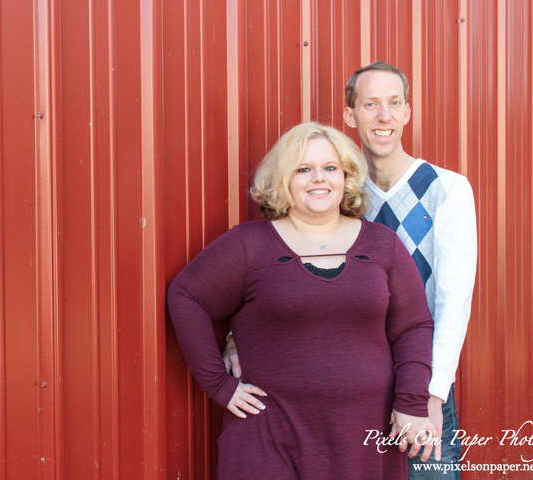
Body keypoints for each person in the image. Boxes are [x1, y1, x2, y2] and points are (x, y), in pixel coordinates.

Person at [224, 62, 478, 479]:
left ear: (407, 112)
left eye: (394, 103)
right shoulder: (337, 189)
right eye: (370, 104)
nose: (384, 116)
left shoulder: (446, 189)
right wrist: (237, 338)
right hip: (360, 384)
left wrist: (431, 394)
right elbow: (280, 271)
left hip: (421, 377)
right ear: (350, 115)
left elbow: (453, 302)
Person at [169, 122, 437, 480]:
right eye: (303, 169)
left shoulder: (382, 244)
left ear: (346, 177)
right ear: (283, 179)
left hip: (364, 437)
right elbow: (187, 296)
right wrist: (218, 383)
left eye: (330, 168)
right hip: (270, 437)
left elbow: (413, 327)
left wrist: (411, 402)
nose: (318, 179)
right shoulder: (248, 245)